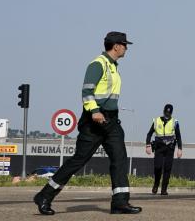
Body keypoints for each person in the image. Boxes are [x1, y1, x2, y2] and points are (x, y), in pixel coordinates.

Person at [33, 32, 142, 215]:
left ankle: (120, 202)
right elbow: (87, 91)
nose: (126, 48)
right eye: (124, 44)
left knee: (120, 159)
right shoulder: (98, 64)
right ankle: (45, 195)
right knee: (79, 160)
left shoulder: (113, 66)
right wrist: (95, 111)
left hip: (111, 121)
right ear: (116, 46)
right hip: (95, 121)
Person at [146, 103, 183, 195]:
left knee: (167, 168)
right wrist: (148, 145)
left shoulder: (175, 122)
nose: (167, 115)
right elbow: (149, 134)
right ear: (163, 112)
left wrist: (180, 149)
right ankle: (156, 184)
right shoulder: (156, 121)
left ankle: (164, 189)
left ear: (171, 114)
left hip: (169, 148)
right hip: (159, 147)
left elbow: (178, 136)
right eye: (166, 113)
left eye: (169, 114)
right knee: (158, 167)